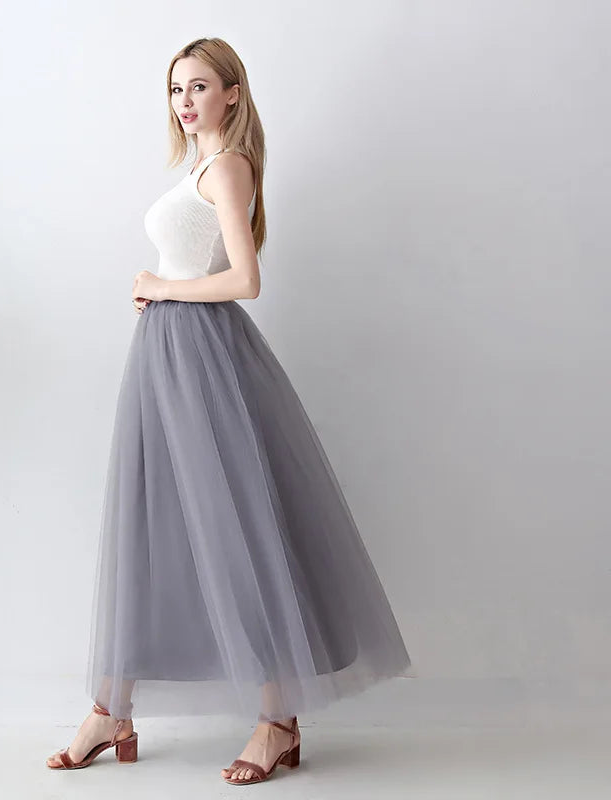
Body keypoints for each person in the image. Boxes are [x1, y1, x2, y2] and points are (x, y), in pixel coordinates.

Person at [47, 36, 412, 786]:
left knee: (234, 525)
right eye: (176, 88)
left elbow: (246, 279)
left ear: (233, 93)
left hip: (200, 358)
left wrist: (161, 286)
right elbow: (203, 266)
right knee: (148, 522)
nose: (184, 101)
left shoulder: (228, 167)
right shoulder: (198, 168)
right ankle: (111, 711)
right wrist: (162, 293)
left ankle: (277, 721)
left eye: (199, 86)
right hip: (166, 354)